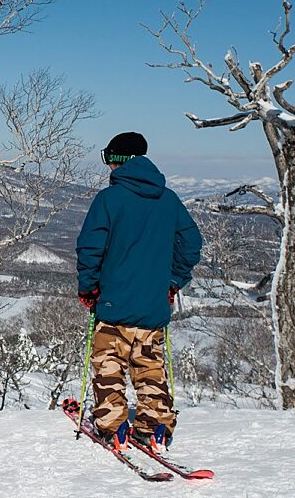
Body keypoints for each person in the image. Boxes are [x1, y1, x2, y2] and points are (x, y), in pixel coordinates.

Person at [76, 132, 202, 453]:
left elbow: (90, 247)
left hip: (113, 303)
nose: (109, 167)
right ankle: (155, 425)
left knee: (109, 365)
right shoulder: (169, 199)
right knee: (149, 366)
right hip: (152, 304)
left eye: (109, 159)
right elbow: (191, 245)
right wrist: (173, 281)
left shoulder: (109, 199)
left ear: (119, 160)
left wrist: (89, 287)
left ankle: (114, 425)